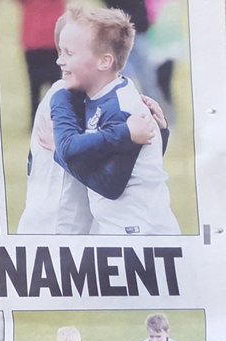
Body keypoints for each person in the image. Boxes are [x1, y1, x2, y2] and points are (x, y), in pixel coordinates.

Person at [48, 6, 178, 235]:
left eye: (69, 53)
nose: (60, 61)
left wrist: (59, 152)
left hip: (140, 235)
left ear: (104, 62)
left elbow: (110, 185)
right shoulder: (99, 93)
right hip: (121, 228)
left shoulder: (123, 109)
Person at [19, 0, 65, 118]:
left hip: (34, 39)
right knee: (55, 84)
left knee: (35, 86)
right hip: (52, 39)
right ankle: (56, 118)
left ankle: (36, 119)